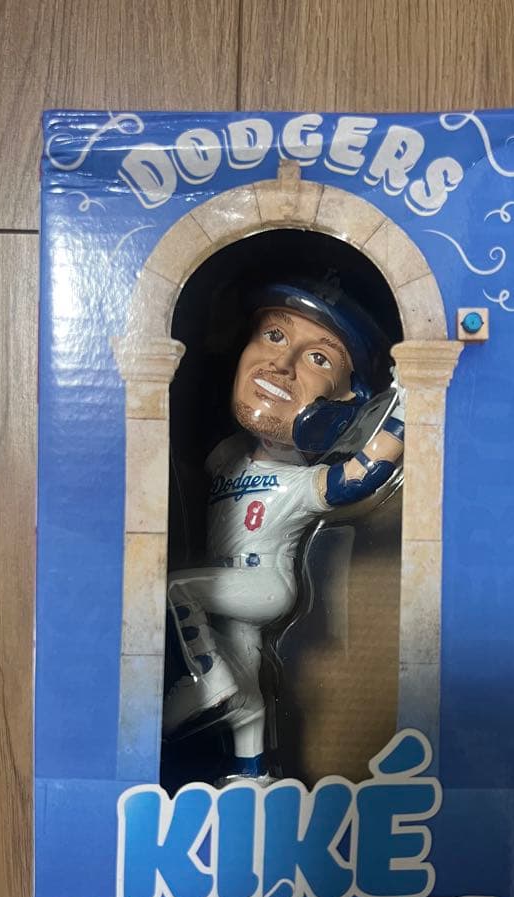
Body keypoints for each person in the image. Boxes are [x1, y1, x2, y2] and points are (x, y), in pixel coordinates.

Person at [164, 280, 406, 785]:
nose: (281, 363)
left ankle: (207, 680)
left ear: (343, 402)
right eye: (274, 335)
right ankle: (251, 772)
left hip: (263, 584)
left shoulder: (298, 483)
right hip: (231, 592)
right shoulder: (226, 456)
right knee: (248, 692)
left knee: (176, 590)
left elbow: (361, 474)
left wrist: (406, 407)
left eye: (319, 358)